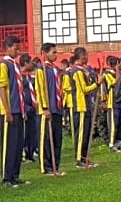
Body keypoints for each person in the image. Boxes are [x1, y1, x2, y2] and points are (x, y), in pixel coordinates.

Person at [0, 36, 28, 187]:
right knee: (8, 145)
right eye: (16, 48)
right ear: (8, 47)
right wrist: (7, 111)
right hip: (9, 110)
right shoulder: (3, 64)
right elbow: (2, 88)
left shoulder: (15, 65)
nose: (18, 51)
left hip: (19, 110)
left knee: (17, 145)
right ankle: (6, 177)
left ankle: (15, 175)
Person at [35, 42, 65, 175]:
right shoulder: (42, 69)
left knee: (57, 138)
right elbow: (40, 90)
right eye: (53, 52)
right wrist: (45, 107)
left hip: (57, 108)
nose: (55, 55)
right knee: (47, 139)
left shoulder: (56, 69)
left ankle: (55, 165)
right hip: (48, 108)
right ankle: (46, 166)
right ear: (45, 53)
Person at [70, 47, 98, 168]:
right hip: (80, 105)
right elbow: (84, 89)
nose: (87, 58)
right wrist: (97, 84)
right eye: (85, 56)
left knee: (86, 133)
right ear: (81, 56)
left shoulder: (83, 70)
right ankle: (79, 158)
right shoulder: (76, 71)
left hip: (86, 105)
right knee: (81, 133)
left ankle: (85, 157)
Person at [20, 54, 40, 163]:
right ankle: (24, 152)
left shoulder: (28, 76)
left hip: (32, 106)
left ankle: (30, 153)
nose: (32, 64)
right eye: (30, 62)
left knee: (32, 131)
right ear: (25, 63)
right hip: (25, 106)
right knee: (25, 132)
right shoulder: (19, 76)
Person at [101, 56, 119, 150]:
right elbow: (113, 83)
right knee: (112, 123)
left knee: (118, 122)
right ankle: (111, 142)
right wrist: (103, 100)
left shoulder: (116, 74)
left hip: (119, 100)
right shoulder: (107, 74)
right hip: (111, 100)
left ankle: (118, 142)